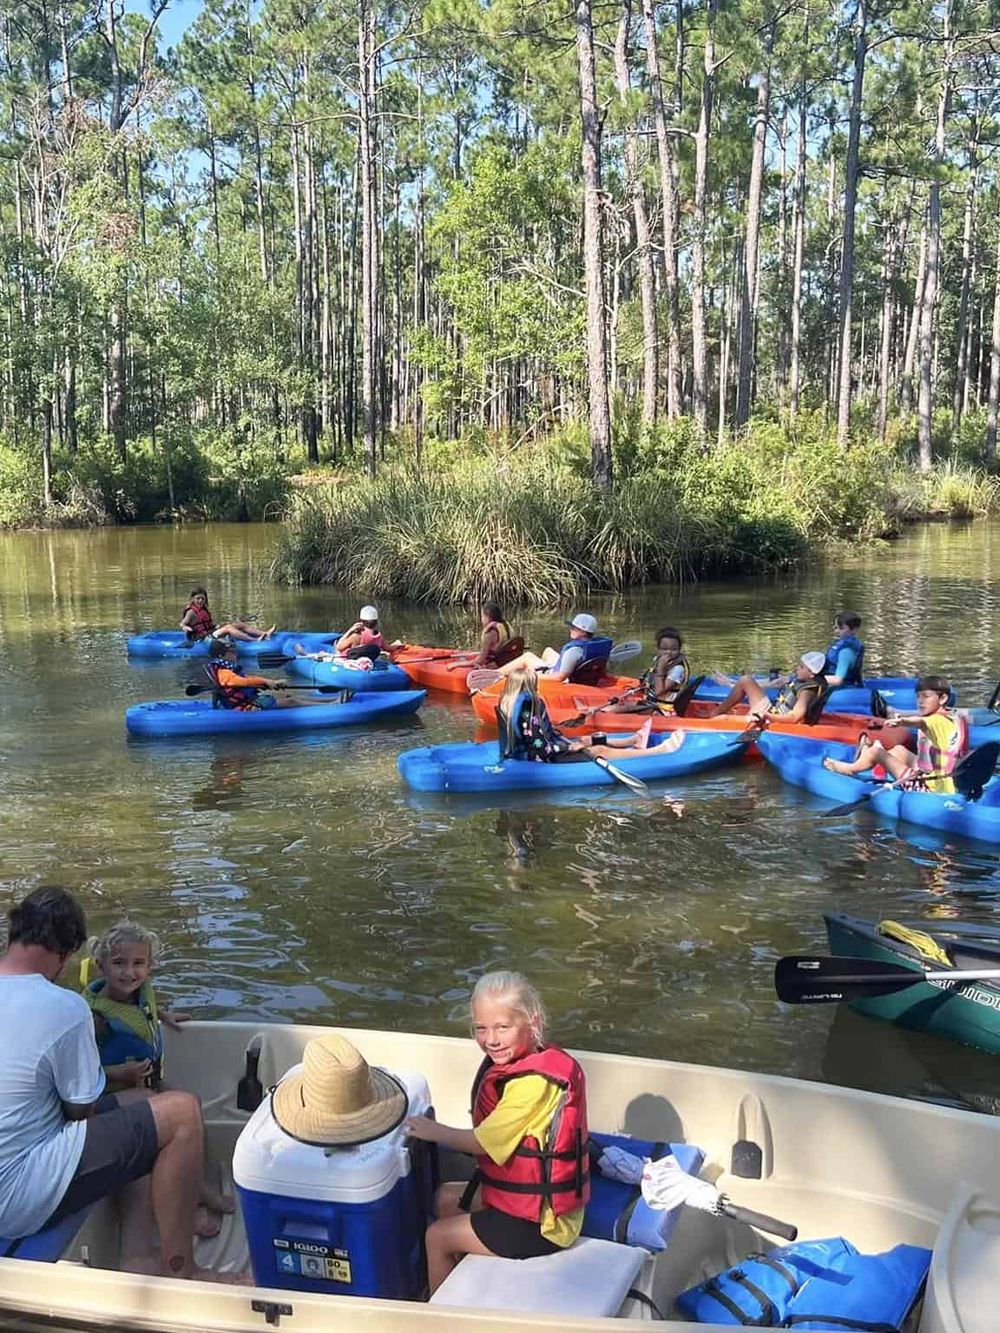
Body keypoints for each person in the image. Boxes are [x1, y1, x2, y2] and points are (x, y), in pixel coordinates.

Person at [0, 886, 211, 1280]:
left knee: (141, 1102)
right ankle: (185, 1270)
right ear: (67, 953)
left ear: (13, 936)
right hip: (13, 1197)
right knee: (181, 1111)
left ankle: (137, 1250)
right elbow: (83, 1110)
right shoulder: (65, 1007)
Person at [405, 971, 590, 1294]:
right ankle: (461, 1287)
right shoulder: (523, 1060)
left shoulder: (534, 1084)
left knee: (436, 1237)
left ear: (531, 1022)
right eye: (481, 1028)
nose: (491, 1039)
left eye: (503, 1027)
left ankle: (439, 1319)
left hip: (540, 1225)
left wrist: (431, 1130)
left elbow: (481, 1143)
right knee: (445, 1198)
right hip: (518, 1202)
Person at [80, 921, 234, 1236]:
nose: (129, 973)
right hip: (112, 1096)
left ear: (150, 966)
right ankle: (186, 1207)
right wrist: (118, 1073)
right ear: (101, 966)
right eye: (119, 963)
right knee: (168, 1130)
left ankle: (198, 1188)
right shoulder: (94, 1018)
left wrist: (164, 1015)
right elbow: (79, 1072)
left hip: (148, 1082)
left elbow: (144, 1011)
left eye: (138, 964)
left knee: (192, 1107)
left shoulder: (140, 992)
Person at [495, 667, 685, 762]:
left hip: (523, 753)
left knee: (584, 740)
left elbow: (532, 735)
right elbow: (539, 747)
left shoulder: (507, 702)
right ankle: (657, 752)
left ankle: (632, 741)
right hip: (537, 757)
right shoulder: (529, 706)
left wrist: (559, 737)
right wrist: (567, 749)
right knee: (597, 751)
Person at [823, 675, 969, 793]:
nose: (920, 701)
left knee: (876, 751)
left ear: (942, 699)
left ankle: (851, 769)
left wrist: (902, 722)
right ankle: (875, 768)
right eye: (918, 697)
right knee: (898, 750)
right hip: (948, 780)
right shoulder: (956, 717)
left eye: (926, 696)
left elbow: (920, 722)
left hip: (930, 789)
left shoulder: (934, 721)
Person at [706, 651, 829, 724]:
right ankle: (715, 712)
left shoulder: (807, 691)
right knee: (746, 680)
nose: (797, 668)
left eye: (801, 667)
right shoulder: (805, 681)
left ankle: (705, 723)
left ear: (812, 674)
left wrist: (767, 716)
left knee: (723, 719)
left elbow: (794, 717)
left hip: (772, 720)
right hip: (771, 711)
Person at [206, 639, 333, 709]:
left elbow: (246, 680)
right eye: (231, 652)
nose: (235, 653)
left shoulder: (225, 670)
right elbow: (244, 682)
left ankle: (328, 700)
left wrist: (271, 682)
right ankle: (331, 705)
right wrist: (266, 682)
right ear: (221, 655)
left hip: (246, 702)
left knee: (288, 696)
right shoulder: (224, 673)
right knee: (292, 701)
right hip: (244, 708)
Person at [497, 613, 613, 684]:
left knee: (527, 657)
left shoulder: (574, 651)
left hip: (559, 675)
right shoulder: (597, 646)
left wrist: (530, 675)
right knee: (548, 651)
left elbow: (560, 678)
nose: (570, 629)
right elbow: (602, 669)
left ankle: (494, 675)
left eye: (573, 628)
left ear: (583, 631)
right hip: (577, 670)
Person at [607, 626, 689, 715]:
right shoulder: (658, 660)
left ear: (679, 649)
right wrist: (631, 694)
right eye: (664, 649)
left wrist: (660, 669)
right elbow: (649, 683)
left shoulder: (677, 669)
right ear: (658, 649)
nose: (668, 652)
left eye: (674, 649)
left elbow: (659, 692)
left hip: (663, 710)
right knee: (615, 706)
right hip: (652, 703)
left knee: (614, 711)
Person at [295, 606, 402, 665]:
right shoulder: (379, 636)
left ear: (361, 621)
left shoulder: (356, 636)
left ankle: (304, 654)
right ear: (376, 621)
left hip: (346, 661)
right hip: (367, 661)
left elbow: (339, 647)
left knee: (323, 653)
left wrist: (350, 630)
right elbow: (388, 648)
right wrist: (398, 645)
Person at [180, 588, 273, 644]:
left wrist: (217, 626)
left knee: (239, 624)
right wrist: (186, 627)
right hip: (201, 639)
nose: (200, 601)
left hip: (209, 633)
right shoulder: (191, 612)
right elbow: (182, 623)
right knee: (228, 628)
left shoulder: (203, 609)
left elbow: (208, 625)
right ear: (193, 599)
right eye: (198, 599)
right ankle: (255, 640)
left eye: (203, 599)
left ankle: (264, 633)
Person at [824, 612, 865, 688]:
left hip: (841, 687)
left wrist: (814, 679)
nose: (836, 631)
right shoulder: (843, 645)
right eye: (836, 627)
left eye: (840, 628)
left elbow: (837, 680)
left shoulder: (846, 652)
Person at [474, 602, 514, 668]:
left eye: (482, 616)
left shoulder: (490, 633)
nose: (481, 619)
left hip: (494, 664)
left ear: (489, 618)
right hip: (507, 661)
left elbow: (480, 660)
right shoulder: (506, 626)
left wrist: (456, 664)